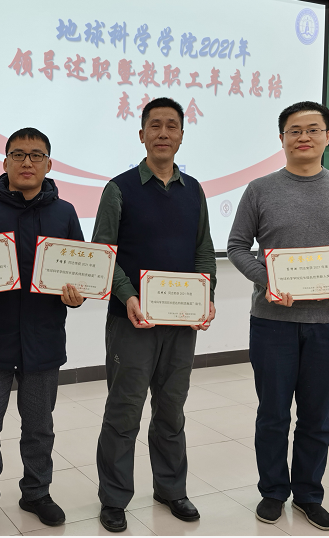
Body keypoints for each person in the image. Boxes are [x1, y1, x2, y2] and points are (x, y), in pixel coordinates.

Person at [227, 101, 329, 531]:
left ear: (328, 136)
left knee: (317, 417)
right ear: (282, 139)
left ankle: (309, 494)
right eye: (294, 130)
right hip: (272, 323)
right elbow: (237, 247)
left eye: (312, 129)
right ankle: (273, 492)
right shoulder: (260, 189)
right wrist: (269, 281)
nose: (303, 137)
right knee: (273, 414)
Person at [92, 97, 217, 532]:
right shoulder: (119, 188)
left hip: (181, 323)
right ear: (142, 134)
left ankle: (170, 488)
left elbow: (204, 251)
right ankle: (114, 498)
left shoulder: (194, 190)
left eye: (172, 126)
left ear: (182, 135)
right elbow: (104, 254)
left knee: (171, 411)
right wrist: (128, 296)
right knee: (124, 411)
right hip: (131, 321)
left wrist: (207, 296)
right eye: (155, 125)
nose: (163, 133)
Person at [0, 127, 84, 536]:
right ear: (5, 161)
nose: (27, 162)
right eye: (18, 154)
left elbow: (81, 272)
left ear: (49, 164)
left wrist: (76, 297)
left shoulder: (64, 213)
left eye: (36, 155)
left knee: (39, 426)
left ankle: (36, 493)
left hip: (44, 339)